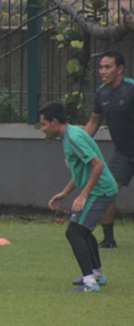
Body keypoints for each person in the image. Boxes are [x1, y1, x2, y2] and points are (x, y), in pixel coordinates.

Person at [41, 102, 118, 293]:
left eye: (43, 124)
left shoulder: (74, 137)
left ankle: (90, 283)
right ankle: (97, 275)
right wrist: (65, 193)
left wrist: (83, 196)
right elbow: (82, 170)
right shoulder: (70, 135)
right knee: (82, 231)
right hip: (101, 189)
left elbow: (97, 166)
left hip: (100, 191)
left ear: (55, 121)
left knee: (74, 232)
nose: (42, 129)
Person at [83, 50, 134, 249]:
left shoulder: (131, 89)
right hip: (123, 153)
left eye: (107, 67)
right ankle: (109, 239)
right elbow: (93, 124)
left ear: (120, 69)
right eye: (101, 67)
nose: (102, 72)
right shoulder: (101, 93)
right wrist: (78, 148)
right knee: (107, 189)